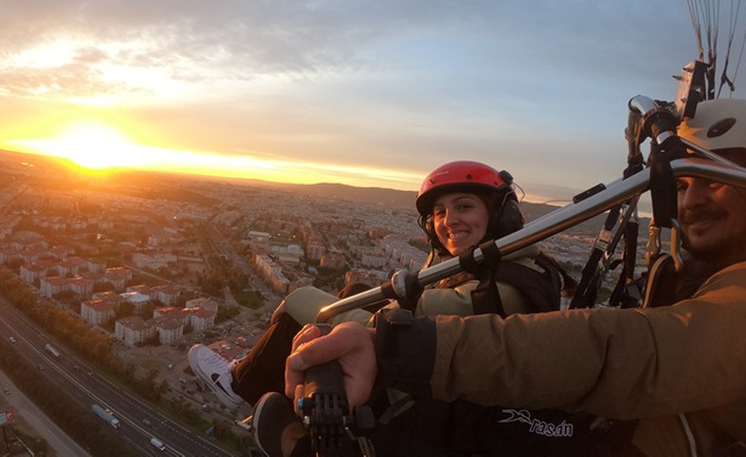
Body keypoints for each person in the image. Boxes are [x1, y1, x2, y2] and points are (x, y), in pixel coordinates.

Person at [279, 98, 746, 456]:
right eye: (683, 185)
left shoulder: (508, 282)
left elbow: (621, 351)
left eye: (713, 179)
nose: (691, 201)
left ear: (499, 217)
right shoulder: (701, 274)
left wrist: (392, 344)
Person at [189, 161, 580, 455]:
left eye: (464, 207)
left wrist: (298, 298)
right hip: (436, 372)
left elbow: (399, 328)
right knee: (356, 290)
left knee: (311, 316)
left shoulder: (501, 289)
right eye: (440, 213)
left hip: (422, 388)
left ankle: (241, 383)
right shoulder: (511, 269)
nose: (449, 221)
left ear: (498, 216)